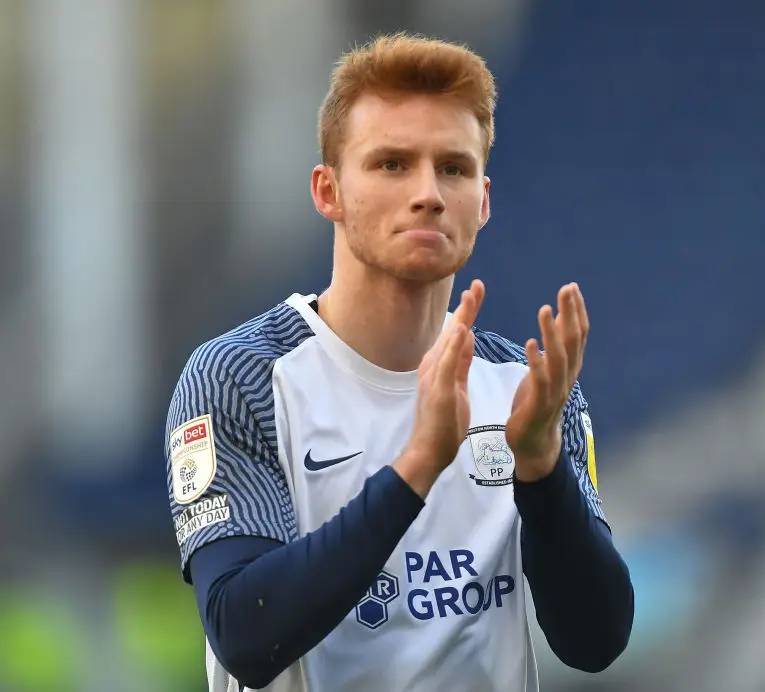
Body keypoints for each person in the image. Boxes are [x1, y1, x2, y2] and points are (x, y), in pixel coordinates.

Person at [165, 32, 634, 692]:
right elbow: (245, 631)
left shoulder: (525, 388)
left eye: (454, 167)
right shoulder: (241, 377)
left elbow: (595, 641)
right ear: (327, 191)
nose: (428, 193)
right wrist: (417, 464)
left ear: (484, 199)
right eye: (391, 164)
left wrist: (540, 467)